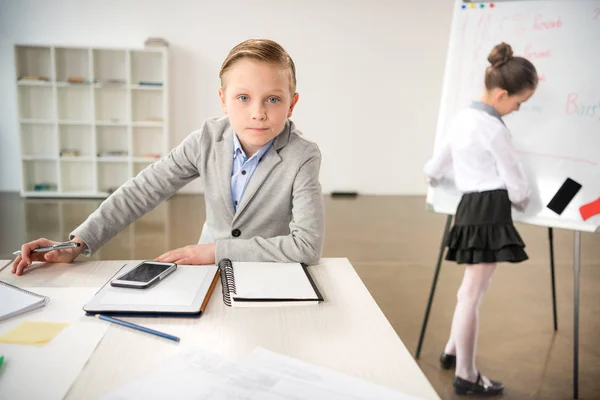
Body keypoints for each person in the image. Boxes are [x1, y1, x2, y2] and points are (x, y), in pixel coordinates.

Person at [13, 38, 324, 275]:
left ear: (292, 104)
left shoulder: (303, 156)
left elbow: (307, 246)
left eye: (273, 99)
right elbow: (143, 190)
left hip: (270, 273)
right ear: (224, 101)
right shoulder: (206, 139)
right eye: (243, 98)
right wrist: (76, 244)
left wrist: (217, 251)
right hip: (207, 271)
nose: (258, 113)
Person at [424, 42, 538, 396]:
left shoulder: (460, 119)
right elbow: (516, 182)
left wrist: (445, 181)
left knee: (471, 290)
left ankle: (452, 350)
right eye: (519, 103)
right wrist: (521, 203)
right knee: (473, 294)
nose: (517, 109)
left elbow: (432, 170)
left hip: (469, 208)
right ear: (503, 94)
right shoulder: (495, 129)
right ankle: (467, 375)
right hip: (492, 209)